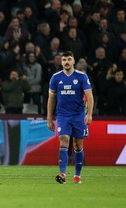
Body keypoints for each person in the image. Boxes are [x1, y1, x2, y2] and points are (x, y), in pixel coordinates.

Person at [47, 51, 94, 184]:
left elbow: (89, 96)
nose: (66, 62)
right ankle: (62, 174)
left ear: (73, 61)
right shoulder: (55, 78)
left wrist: (89, 114)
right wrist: (49, 119)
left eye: (69, 59)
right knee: (64, 141)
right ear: (61, 62)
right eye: (64, 60)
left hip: (79, 116)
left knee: (77, 145)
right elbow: (51, 99)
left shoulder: (81, 77)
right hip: (62, 116)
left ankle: (77, 176)